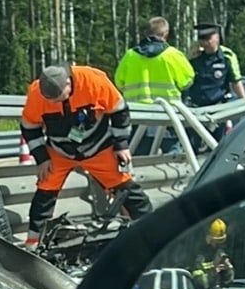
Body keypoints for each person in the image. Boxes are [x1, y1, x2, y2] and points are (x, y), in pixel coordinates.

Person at [19, 60, 152, 247]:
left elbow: (119, 111)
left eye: (57, 97)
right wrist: (42, 158)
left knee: (127, 189)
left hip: (99, 148)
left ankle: (150, 233)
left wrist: (121, 145)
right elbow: (29, 127)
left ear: (68, 83)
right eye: (49, 99)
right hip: (59, 152)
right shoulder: (36, 93)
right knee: (45, 191)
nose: (52, 102)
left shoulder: (94, 80)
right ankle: (33, 242)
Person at [113, 17, 194, 103]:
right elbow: (187, 82)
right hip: (168, 112)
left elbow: (119, 82)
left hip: (136, 111)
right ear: (165, 34)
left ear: (146, 33)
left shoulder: (130, 55)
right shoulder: (173, 55)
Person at [183, 23, 245, 108]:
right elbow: (183, 80)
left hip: (220, 107)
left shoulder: (227, 56)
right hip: (196, 107)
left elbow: (236, 81)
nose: (205, 43)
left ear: (217, 38)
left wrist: (244, 101)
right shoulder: (194, 56)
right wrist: (189, 59)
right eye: (201, 39)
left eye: (208, 39)